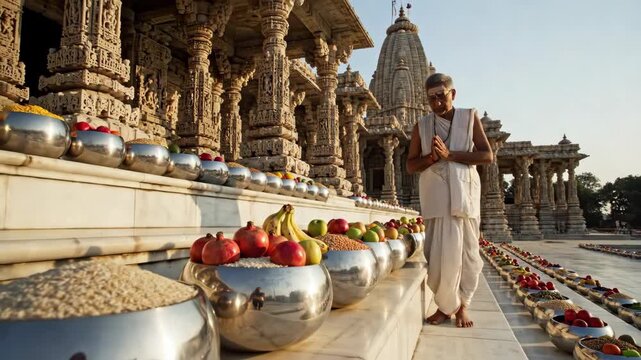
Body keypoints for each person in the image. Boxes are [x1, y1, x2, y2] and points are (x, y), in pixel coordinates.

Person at [406, 73, 493, 328]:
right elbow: (411, 165)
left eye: (441, 96)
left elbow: (486, 155)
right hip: (435, 196)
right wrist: (432, 158)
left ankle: (462, 306)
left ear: (452, 94)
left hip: (464, 195)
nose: (437, 103)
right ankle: (444, 307)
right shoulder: (421, 126)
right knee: (438, 256)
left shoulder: (468, 118)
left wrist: (450, 154)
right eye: (431, 98)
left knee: (466, 254)